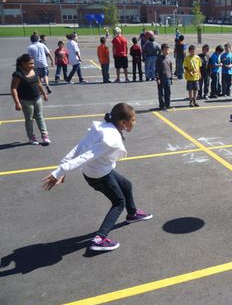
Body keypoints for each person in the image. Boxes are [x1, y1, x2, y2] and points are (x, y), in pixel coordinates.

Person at [42, 103, 153, 252]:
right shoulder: (110, 138)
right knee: (119, 202)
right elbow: (85, 155)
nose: (135, 122)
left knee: (126, 185)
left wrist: (62, 169)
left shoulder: (104, 126)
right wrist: (60, 171)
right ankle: (100, 239)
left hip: (98, 170)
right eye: (133, 120)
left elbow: (79, 147)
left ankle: (132, 213)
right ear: (123, 122)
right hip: (99, 175)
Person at [10, 54, 51, 145]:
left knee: (39, 116)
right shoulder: (18, 74)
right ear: (23, 63)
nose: (32, 65)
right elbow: (13, 89)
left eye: (33, 63)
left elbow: (39, 84)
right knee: (29, 119)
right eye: (30, 63)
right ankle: (31, 137)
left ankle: (45, 136)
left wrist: (44, 94)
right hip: (25, 101)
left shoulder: (35, 71)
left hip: (37, 98)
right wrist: (17, 103)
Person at [155, 43, 173, 110]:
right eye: (165, 50)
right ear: (162, 50)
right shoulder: (159, 59)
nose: (167, 51)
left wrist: (171, 78)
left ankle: (167, 104)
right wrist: (157, 78)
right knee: (161, 92)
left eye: (168, 50)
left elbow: (170, 69)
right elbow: (157, 69)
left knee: (168, 92)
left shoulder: (169, 59)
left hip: (168, 78)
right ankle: (162, 105)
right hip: (161, 78)